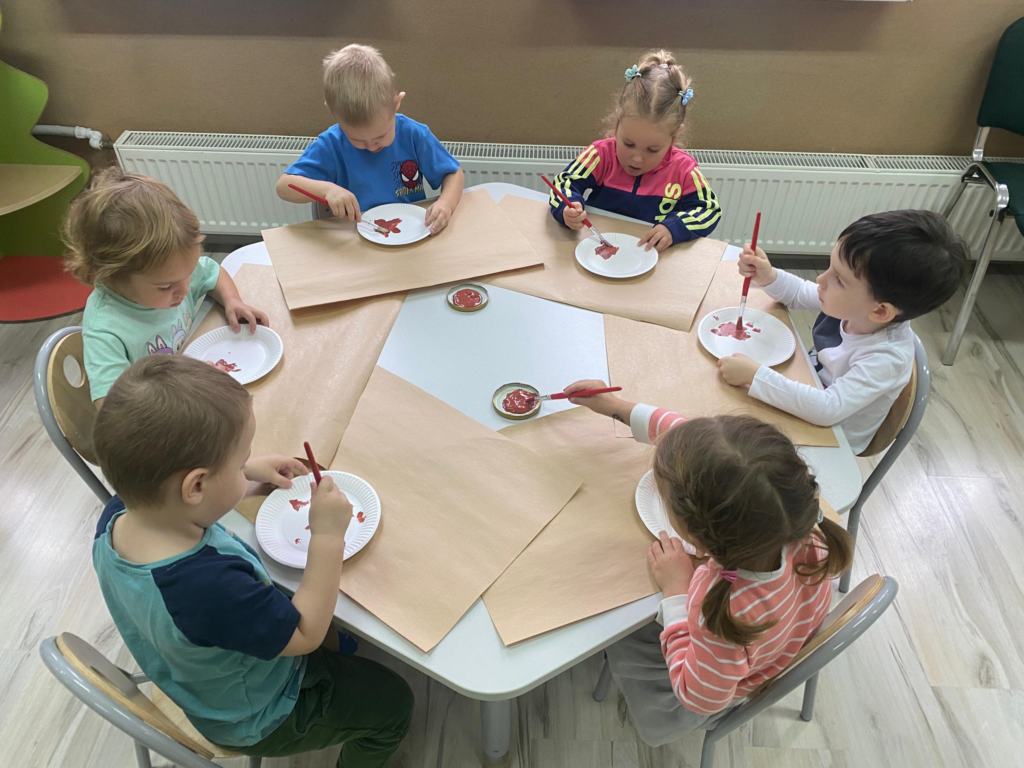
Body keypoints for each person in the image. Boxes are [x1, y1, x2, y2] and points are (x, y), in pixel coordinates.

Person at [91, 356, 413, 767]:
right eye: (240, 461)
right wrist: (328, 537)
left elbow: (183, 504)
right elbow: (306, 634)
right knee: (394, 702)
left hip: (204, 676)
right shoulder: (210, 589)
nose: (246, 466)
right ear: (197, 485)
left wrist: (247, 478)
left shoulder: (120, 513)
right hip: (262, 712)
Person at [563, 380, 853, 746]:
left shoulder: (722, 613)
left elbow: (697, 697)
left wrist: (676, 593)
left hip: (710, 684)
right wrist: (616, 407)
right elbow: (698, 448)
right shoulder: (796, 523)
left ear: (696, 540)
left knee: (617, 626)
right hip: (776, 641)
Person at [718, 210, 967, 454]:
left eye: (839, 279)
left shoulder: (887, 357)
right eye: (830, 267)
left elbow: (827, 409)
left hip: (830, 442)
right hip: (805, 395)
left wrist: (756, 376)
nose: (820, 280)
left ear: (880, 311)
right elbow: (798, 293)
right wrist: (768, 275)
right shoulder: (856, 307)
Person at [64, 168, 268, 406]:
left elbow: (213, 271)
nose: (185, 290)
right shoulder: (105, 331)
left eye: (188, 274)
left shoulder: (171, 274)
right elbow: (112, 409)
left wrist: (232, 300)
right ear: (114, 277)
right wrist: (184, 393)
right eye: (165, 287)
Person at [277, 43, 464, 235]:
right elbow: (284, 186)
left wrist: (445, 203)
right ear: (334, 113)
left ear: (396, 103)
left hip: (407, 233)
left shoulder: (413, 134)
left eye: (381, 136)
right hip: (355, 237)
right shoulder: (331, 144)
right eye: (356, 139)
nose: (371, 146)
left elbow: (453, 174)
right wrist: (326, 190)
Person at [548, 50, 720, 252]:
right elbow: (564, 183)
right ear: (617, 124)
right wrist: (568, 208)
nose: (637, 159)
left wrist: (674, 228)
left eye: (652, 149)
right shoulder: (600, 154)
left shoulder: (683, 169)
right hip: (598, 250)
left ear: (673, 137)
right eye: (628, 144)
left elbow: (709, 210)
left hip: (649, 256)